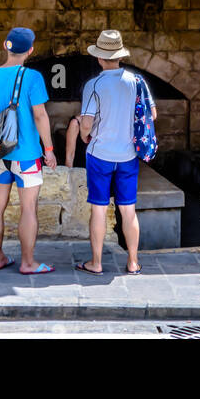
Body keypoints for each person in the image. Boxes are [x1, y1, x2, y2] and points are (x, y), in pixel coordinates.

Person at [76, 30, 156, 276]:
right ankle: (133, 262)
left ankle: (96, 263)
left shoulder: (94, 84)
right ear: (120, 56)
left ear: (99, 58)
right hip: (128, 155)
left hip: (100, 153)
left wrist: (83, 135)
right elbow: (152, 115)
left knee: (99, 209)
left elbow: (87, 122)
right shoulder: (136, 80)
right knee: (128, 209)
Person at [0, 26, 58, 275]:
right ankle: (27, 263)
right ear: (31, 50)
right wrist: (49, 148)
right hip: (26, 156)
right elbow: (40, 115)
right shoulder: (32, 77)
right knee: (28, 208)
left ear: (5, 45)